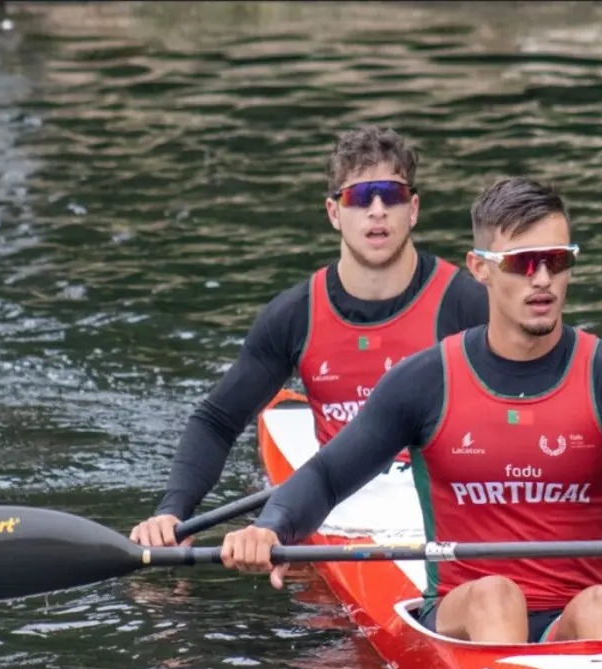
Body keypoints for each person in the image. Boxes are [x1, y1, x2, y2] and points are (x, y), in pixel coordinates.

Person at [219, 176, 602, 645]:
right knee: (495, 594)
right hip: (464, 616)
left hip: (573, 624)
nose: (543, 279)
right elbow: (329, 476)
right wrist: (272, 527)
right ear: (479, 267)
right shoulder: (426, 382)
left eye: (557, 260)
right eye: (523, 263)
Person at [129, 125, 489, 547]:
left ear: (412, 210)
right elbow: (217, 420)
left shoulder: (467, 304)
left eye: (391, 195)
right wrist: (173, 512)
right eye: (358, 197)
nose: (377, 210)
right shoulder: (295, 315)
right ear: (334, 213)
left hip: (438, 499)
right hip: (339, 501)